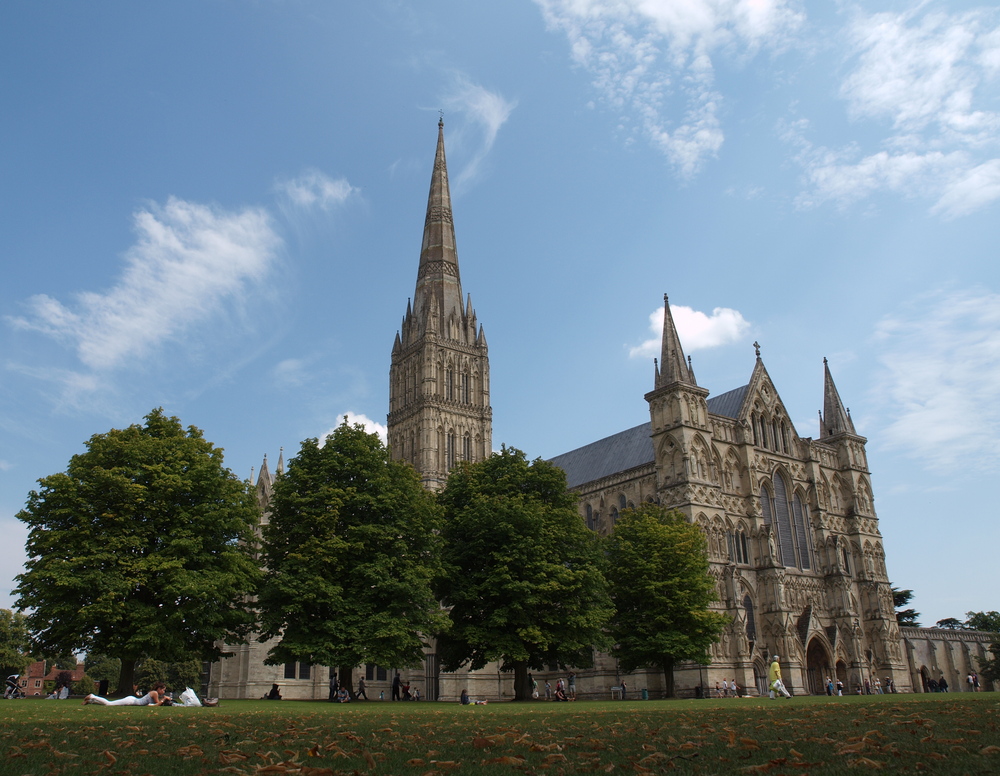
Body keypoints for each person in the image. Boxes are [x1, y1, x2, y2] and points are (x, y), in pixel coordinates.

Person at [84, 682, 168, 706]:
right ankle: (92, 696)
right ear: (159, 689)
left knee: (110, 704)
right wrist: (164, 699)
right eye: (163, 690)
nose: (163, 692)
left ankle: (91, 701)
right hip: (131, 701)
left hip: (132, 700)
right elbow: (157, 704)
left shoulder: (153, 693)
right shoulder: (154, 693)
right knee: (109, 704)